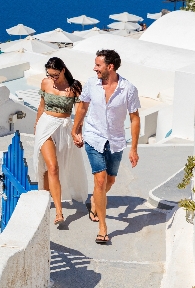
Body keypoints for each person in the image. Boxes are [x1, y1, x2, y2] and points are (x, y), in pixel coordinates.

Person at [72, 49, 140, 244]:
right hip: (93, 136)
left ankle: (95, 200)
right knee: (100, 181)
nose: (94, 68)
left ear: (110, 67)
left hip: (116, 140)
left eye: (98, 65)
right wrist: (75, 129)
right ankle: (103, 228)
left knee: (110, 181)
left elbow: (135, 119)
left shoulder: (128, 89)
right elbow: (82, 107)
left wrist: (134, 148)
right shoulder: (91, 84)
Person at [34, 57, 88, 226]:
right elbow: (41, 106)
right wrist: (36, 127)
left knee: (60, 166)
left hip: (63, 127)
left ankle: (44, 196)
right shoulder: (45, 83)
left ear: (63, 70)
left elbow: (80, 113)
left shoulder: (75, 87)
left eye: (55, 75)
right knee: (52, 167)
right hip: (45, 126)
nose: (53, 79)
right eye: (50, 75)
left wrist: (77, 132)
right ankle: (58, 211)